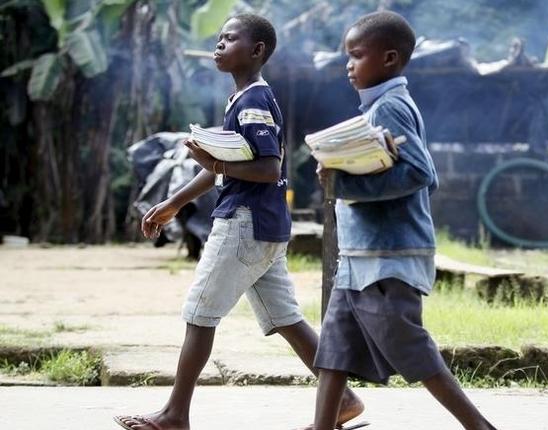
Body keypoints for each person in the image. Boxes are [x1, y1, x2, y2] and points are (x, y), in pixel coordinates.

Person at [113, 13, 362, 430]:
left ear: (257, 50)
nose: (219, 45)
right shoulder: (243, 98)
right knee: (286, 318)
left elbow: (267, 168)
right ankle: (344, 402)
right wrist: (172, 203)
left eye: (229, 39)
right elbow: (218, 168)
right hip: (264, 225)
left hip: (244, 223)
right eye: (219, 39)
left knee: (199, 313)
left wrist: (215, 163)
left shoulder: (253, 102)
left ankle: (175, 415)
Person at [308, 11, 496, 430]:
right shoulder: (378, 108)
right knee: (336, 346)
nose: (349, 65)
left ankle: (479, 426)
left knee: (408, 345)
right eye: (348, 57)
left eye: (357, 56)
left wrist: (344, 183)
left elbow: (420, 175)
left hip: (388, 256)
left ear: (390, 59)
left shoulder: (390, 107)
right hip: (361, 255)